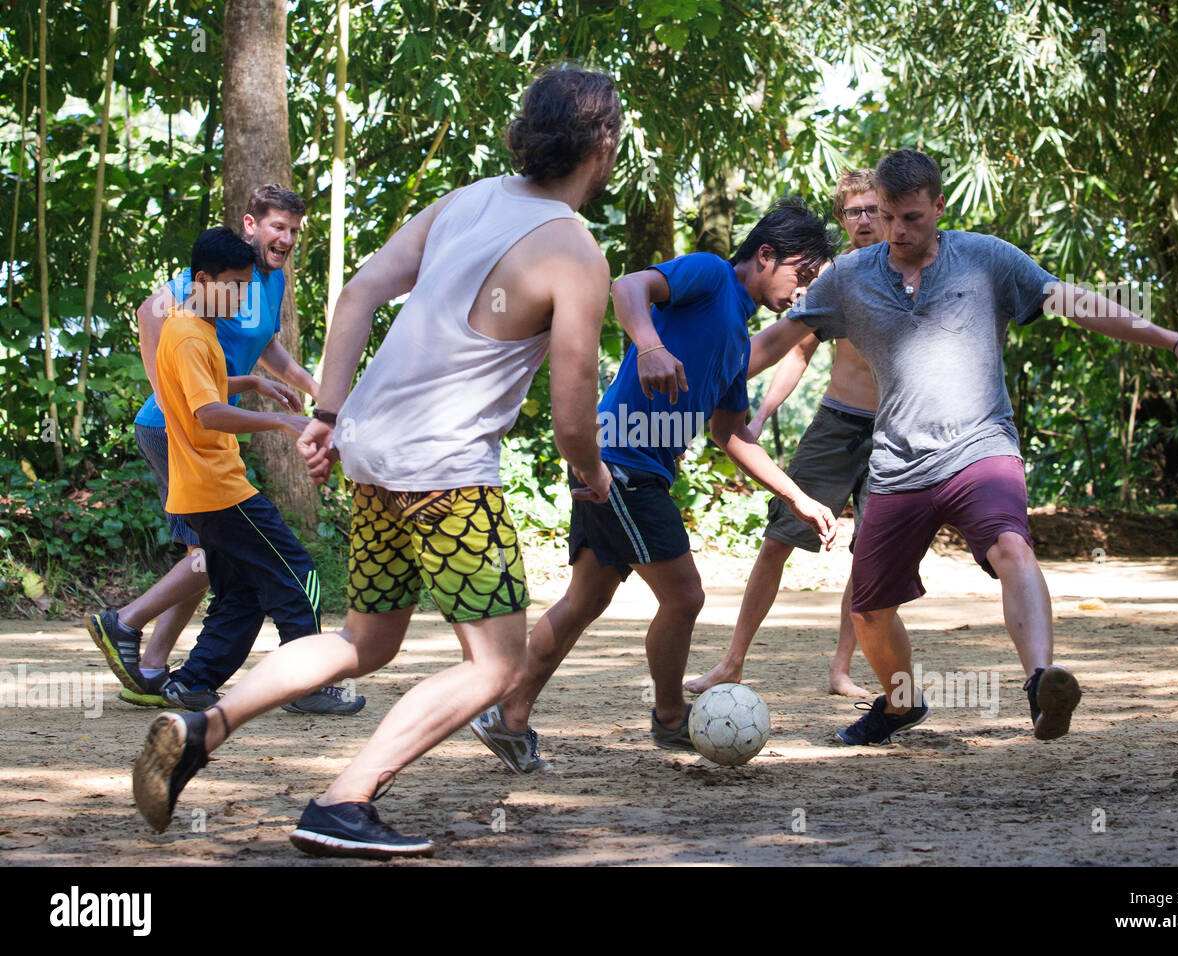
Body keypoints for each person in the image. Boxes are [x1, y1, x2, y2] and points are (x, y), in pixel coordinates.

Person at [132, 67, 621, 858]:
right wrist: (591, 475)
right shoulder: (575, 250)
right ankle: (343, 800)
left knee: (366, 640)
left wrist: (330, 414)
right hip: (448, 470)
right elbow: (574, 415)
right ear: (601, 145)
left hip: (372, 452)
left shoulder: (469, 199)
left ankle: (202, 725)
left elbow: (358, 292)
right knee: (495, 663)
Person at [754, 148, 1178, 745]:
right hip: (898, 462)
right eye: (890, 217)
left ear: (939, 207)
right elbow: (777, 342)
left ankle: (1040, 684)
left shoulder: (986, 259)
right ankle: (899, 705)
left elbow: (1075, 302)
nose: (897, 231)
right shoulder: (850, 276)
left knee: (1011, 546)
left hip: (980, 446)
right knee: (868, 609)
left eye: (912, 219)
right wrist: (700, 381)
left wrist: (1171, 339)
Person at [469, 199, 839, 775]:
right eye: (802, 274)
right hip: (619, 465)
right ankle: (669, 718)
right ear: (765, 256)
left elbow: (731, 434)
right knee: (685, 595)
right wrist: (650, 345)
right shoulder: (712, 274)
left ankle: (508, 716)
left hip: (629, 468)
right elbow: (627, 288)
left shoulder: (738, 341)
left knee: (586, 599)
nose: (802, 290)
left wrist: (797, 496)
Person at [86, 186, 353, 714]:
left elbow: (254, 356)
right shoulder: (192, 313)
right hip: (197, 457)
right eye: (279, 227)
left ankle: (174, 674)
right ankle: (127, 625)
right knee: (285, 570)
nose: (288, 238)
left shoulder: (229, 305)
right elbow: (191, 389)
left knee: (230, 572)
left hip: (216, 457)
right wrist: (180, 401)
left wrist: (273, 388)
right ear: (252, 226)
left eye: (295, 230)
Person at [687, 167, 884, 698]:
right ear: (841, 218)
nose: (863, 220)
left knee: (869, 554)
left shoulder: (917, 269)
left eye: (873, 208)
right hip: (840, 421)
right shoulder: (831, 278)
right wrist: (755, 416)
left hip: (897, 431)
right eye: (852, 211)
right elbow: (793, 348)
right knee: (780, 537)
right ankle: (732, 661)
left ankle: (842, 670)